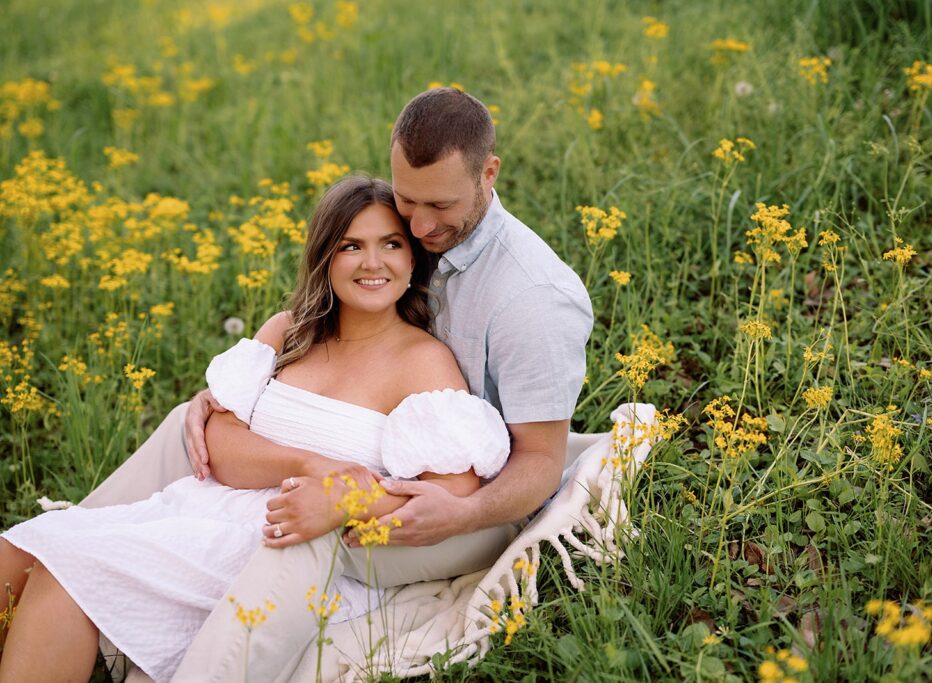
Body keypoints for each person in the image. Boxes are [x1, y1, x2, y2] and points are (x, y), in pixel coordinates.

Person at [76, 87, 593, 681]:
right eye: (408, 201)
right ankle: (72, 559)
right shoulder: (419, 235)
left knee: (311, 525)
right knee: (181, 430)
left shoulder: (532, 299)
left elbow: (540, 464)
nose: (420, 224)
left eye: (439, 206)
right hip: (381, 461)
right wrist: (229, 396)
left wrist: (460, 513)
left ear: (489, 173)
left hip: (471, 506)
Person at [0, 176, 514, 683]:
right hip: (201, 510)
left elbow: (450, 495)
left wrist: (343, 497)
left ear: (411, 260)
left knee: (67, 566)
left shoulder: (423, 361)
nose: (372, 262)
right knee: (22, 551)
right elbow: (219, 444)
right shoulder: (290, 330)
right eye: (351, 245)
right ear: (325, 258)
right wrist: (310, 464)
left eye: (391, 244)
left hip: (283, 549)